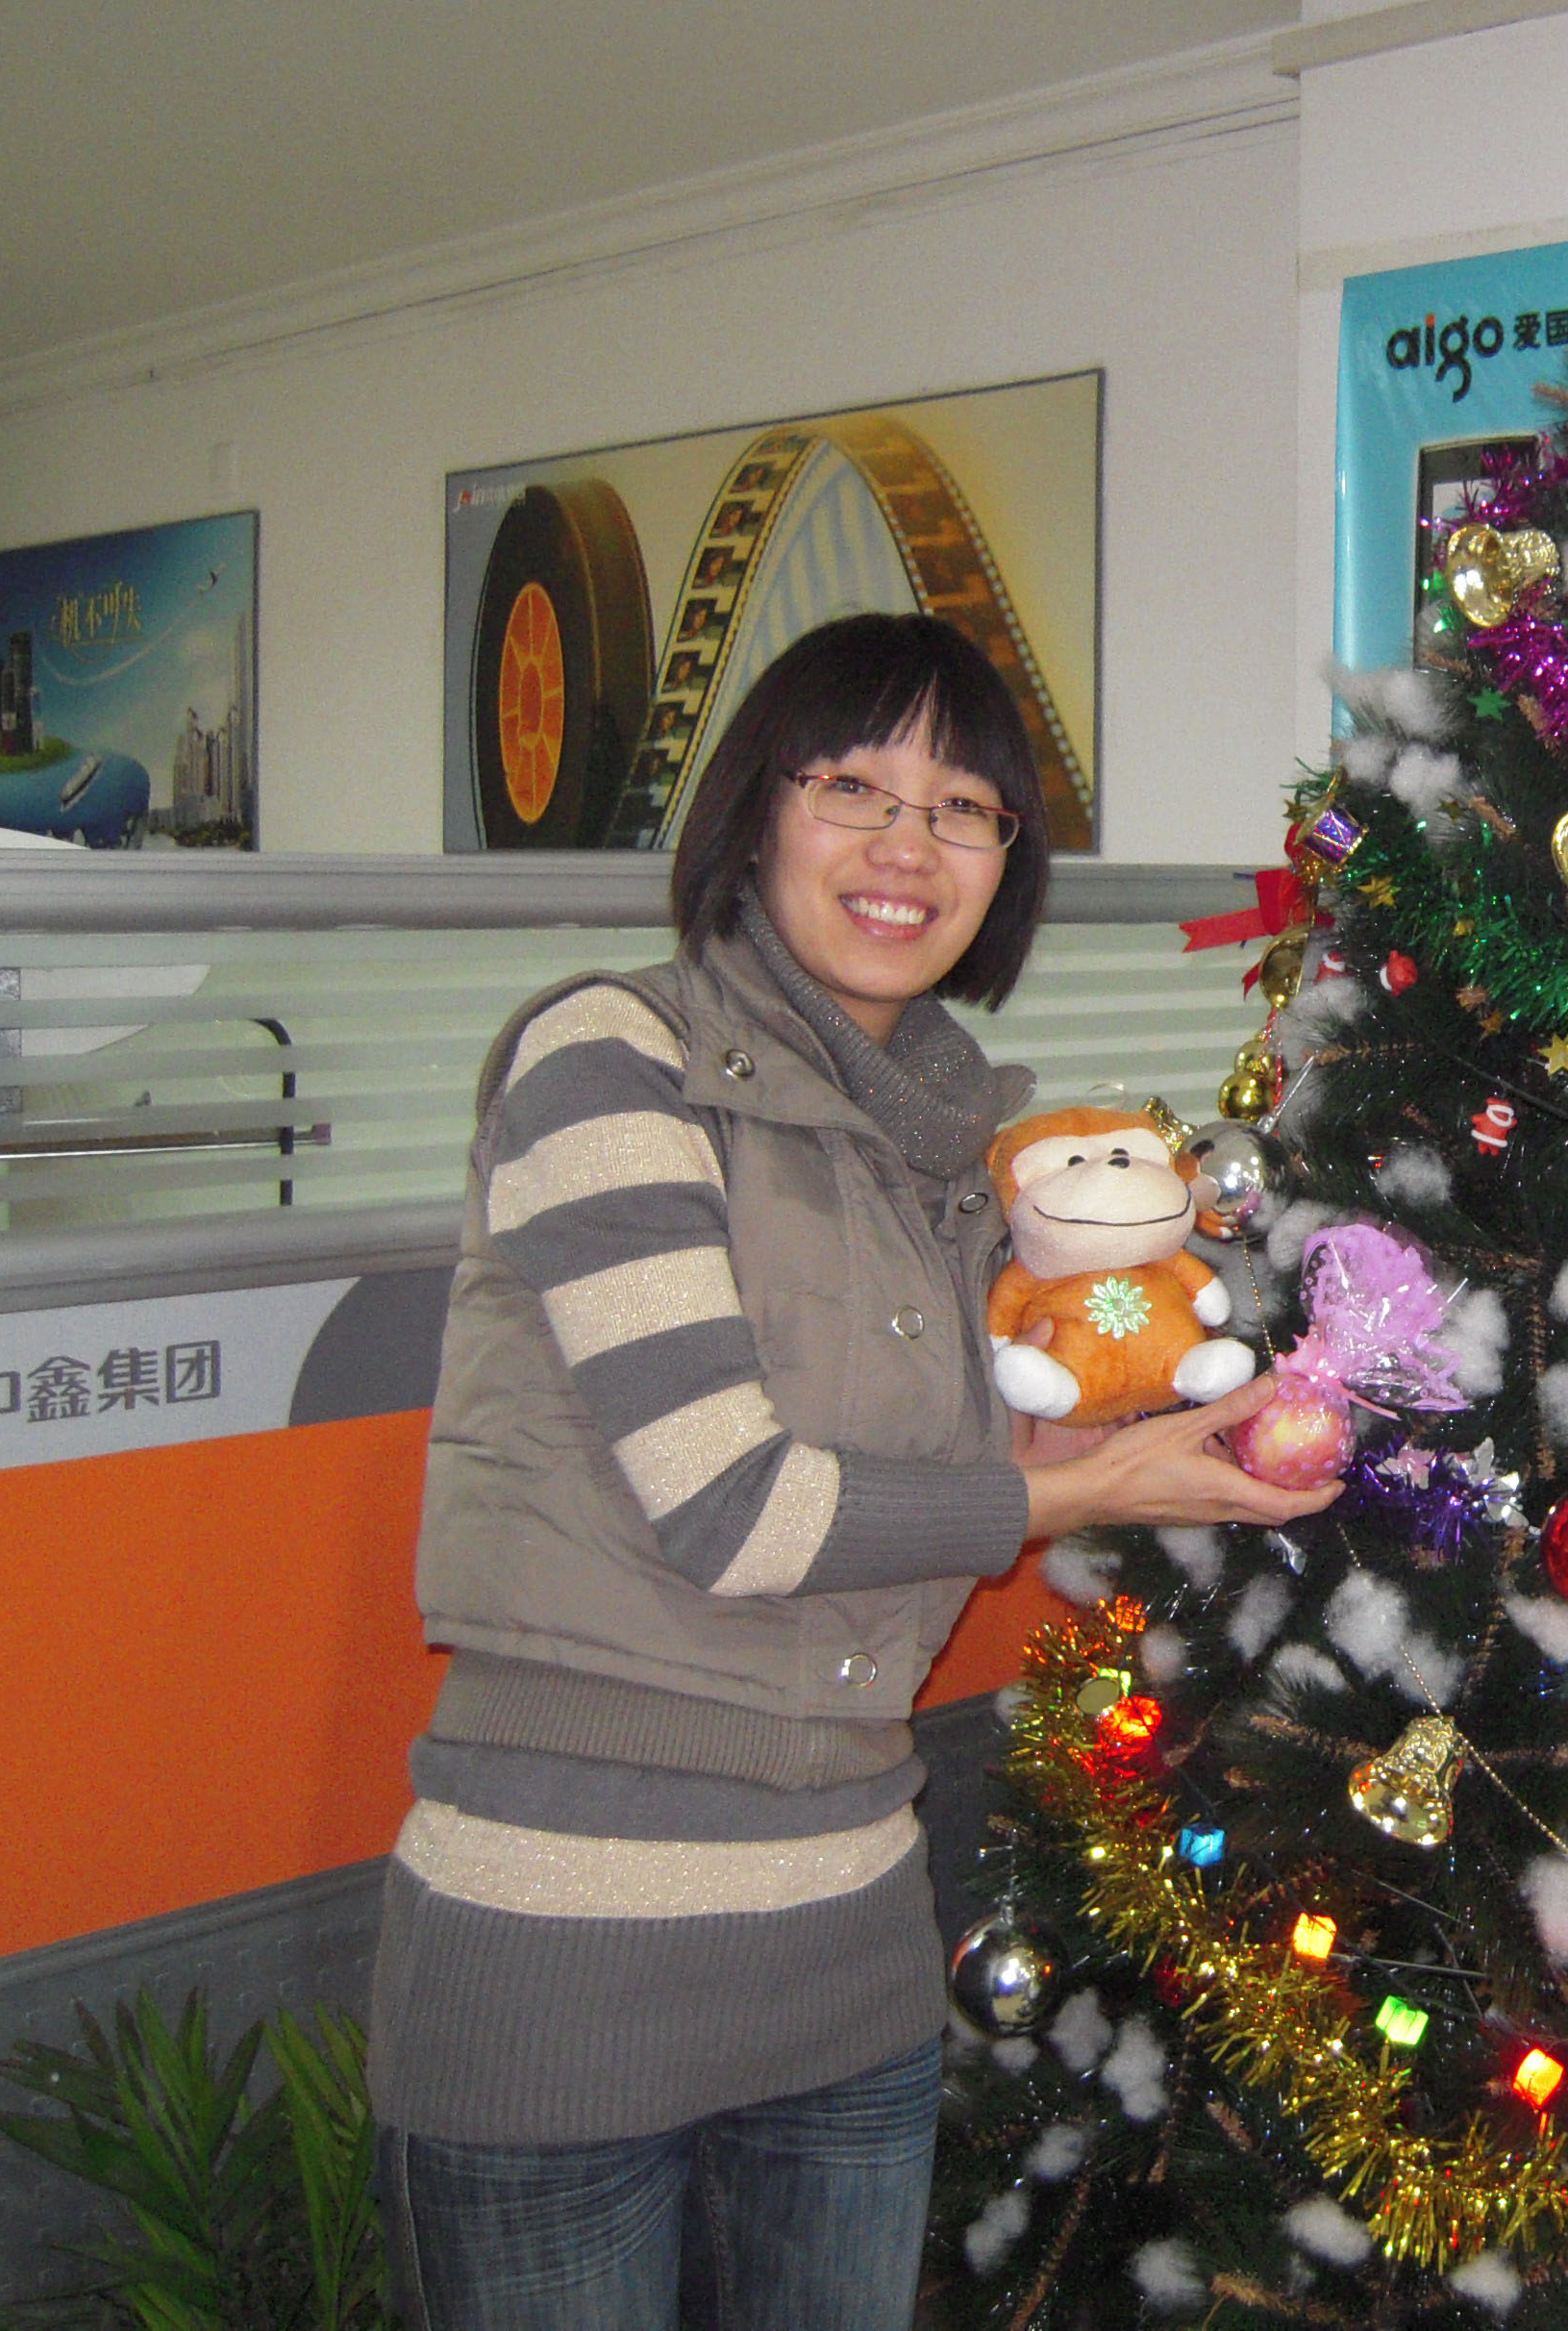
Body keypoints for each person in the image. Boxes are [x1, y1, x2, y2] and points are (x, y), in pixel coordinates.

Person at [367, 613, 1335, 2330]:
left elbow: (965, 1470)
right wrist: (1076, 1494)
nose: (909, 847)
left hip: (851, 1948)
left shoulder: (965, 1157)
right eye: (853, 788)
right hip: (563, 1959)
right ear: (756, 812)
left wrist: (1169, 1431)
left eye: (965, 809)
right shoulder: (610, 1059)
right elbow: (734, 1506)